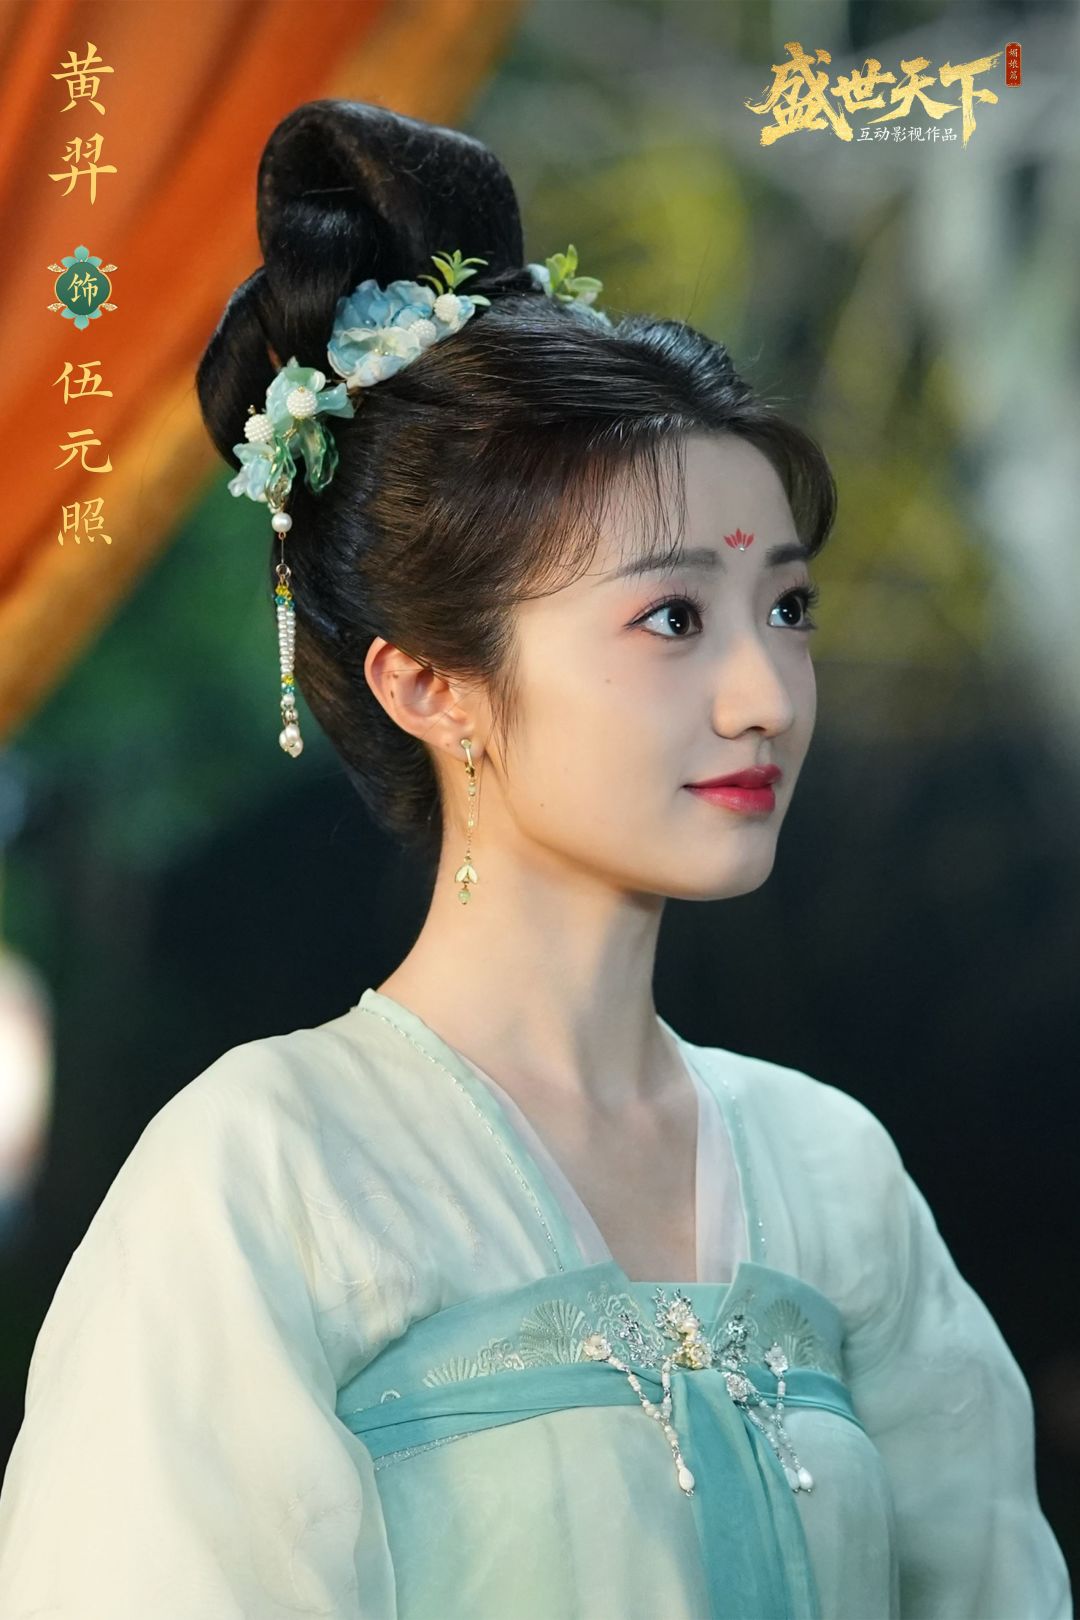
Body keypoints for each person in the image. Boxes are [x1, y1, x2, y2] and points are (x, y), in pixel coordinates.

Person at [0, 97, 1071, 1620]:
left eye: (787, 609)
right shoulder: (270, 1173)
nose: (765, 695)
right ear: (430, 683)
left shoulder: (834, 1174)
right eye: (672, 618)